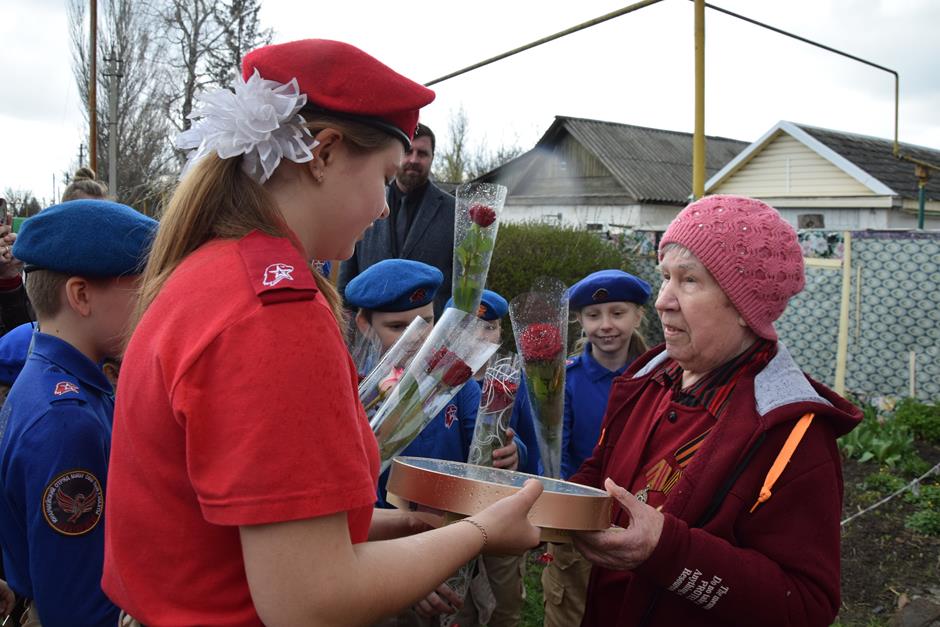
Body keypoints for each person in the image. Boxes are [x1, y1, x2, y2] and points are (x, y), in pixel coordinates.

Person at [102, 39, 542, 627]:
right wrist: (481, 532)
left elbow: (242, 531)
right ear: (324, 153)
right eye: (385, 176)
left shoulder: (210, 272)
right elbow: (311, 600)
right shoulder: (275, 316)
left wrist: (406, 526)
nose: (384, 208)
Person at [570, 195, 862, 626]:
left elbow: (805, 607)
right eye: (665, 276)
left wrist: (666, 551)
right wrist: (542, 499)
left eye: (689, 280)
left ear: (745, 308)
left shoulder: (792, 434)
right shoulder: (649, 378)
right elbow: (603, 469)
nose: (663, 301)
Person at [0, 199, 157, 627]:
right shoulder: (66, 421)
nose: (152, 304)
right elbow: (77, 608)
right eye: (141, 288)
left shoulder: (53, 379)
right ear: (81, 296)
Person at [542, 269, 651, 627]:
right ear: (580, 320)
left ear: (638, 316)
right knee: (570, 608)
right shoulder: (565, 380)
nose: (606, 325)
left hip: (640, 520)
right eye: (593, 315)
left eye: (618, 313)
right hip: (579, 521)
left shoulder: (657, 377)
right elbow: (555, 455)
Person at [443, 289, 542, 627]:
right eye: (468, 326)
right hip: (451, 511)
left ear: (500, 333)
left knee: (504, 597)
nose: (480, 336)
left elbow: (529, 442)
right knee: (456, 601)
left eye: (489, 327)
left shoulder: (513, 380)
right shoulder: (439, 383)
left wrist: (517, 454)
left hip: (501, 506)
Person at [338, 123, 456, 318]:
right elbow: (346, 281)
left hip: (429, 332)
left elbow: (464, 286)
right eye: (408, 151)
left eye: (422, 154)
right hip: (368, 331)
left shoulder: (454, 211)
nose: (414, 160)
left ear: (432, 158)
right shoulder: (365, 200)